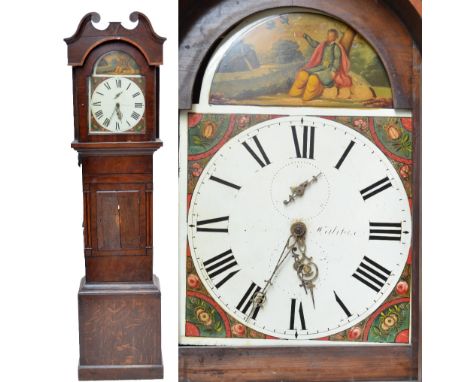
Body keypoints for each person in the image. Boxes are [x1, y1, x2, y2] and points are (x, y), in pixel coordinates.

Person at [289, 29, 352, 101]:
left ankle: (308, 97)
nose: (329, 37)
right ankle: (295, 93)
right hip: (321, 67)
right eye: (328, 35)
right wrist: (305, 36)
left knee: (313, 79)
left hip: (329, 69)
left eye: (331, 36)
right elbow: (313, 43)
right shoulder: (323, 45)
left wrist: (333, 70)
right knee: (303, 74)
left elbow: (337, 59)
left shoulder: (336, 47)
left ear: (335, 37)